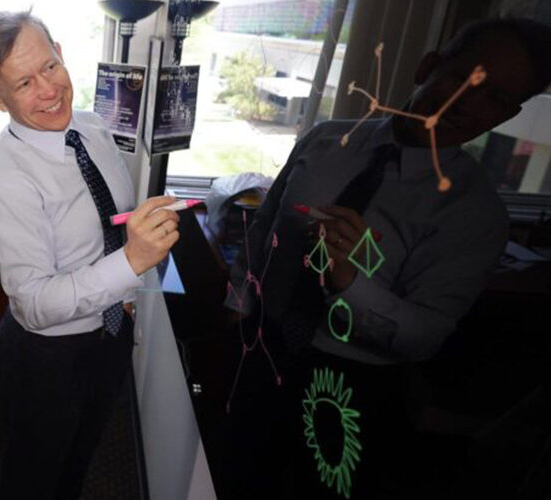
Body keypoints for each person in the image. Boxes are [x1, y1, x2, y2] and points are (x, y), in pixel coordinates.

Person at [218, 18, 551, 498]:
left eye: (495, 100)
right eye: (465, 79)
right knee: (226, 468)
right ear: (428, 66)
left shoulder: (476, 215)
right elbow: (265, 231)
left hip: (348, 384)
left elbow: (425, 338)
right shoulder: (327, 138)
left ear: (507, 115)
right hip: (259, 343)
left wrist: (350, 282)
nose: (469, 105)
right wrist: (234, 309)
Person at [0, 10, 180, 500]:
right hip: (50, 357)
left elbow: (111, 223)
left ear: (61, 54)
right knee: (33, 478)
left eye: (49, 67)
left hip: (110, 333)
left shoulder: (91, 129)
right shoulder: (3, 184)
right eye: (23, 83)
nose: (48, 90)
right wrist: (131, 261)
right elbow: (35, 304)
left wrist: (141, 233)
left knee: (79, 461)